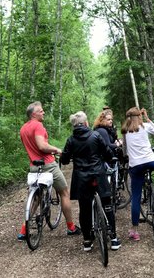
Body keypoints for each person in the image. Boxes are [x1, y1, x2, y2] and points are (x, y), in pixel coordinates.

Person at [17, 101, 81, 240]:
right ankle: (71, 227)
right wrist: (57, 150)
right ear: (33, 114)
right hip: (48, 165)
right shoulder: (38, 125)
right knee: (64, 192)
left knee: (35, 198)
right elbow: (41, 146)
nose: (43, 112)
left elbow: (32, 147)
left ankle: (23, 230)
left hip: (34, 166)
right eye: (41, 111)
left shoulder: (23, 128)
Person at [60, 111, 121, 251]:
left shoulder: (71, 140)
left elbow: (64, 159)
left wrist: (65, 158)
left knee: (85, 208)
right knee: (107, 205)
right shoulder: (95, 135)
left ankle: (87, 240)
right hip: (98, 174)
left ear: (74, 126)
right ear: (86, 123)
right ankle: (113, 239)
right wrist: (111, 158)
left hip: (81, 178)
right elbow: (106, 152)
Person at [121, 107, 154, 241]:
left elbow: (125, 151)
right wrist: (147, 117)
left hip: (135, 166)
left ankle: (135, 231)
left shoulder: (125, 131)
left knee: (136, 197)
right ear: (139, 117)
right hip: (150, 161)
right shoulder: (145, 126)